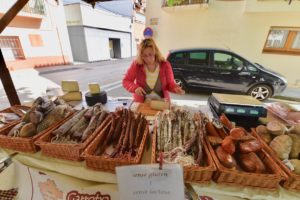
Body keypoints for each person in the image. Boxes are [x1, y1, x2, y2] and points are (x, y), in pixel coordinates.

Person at [122, 38, 185, 103]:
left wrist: (175, 88)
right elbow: (126, 81)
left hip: (161, 102)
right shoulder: (136, 64)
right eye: (144, 56)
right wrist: (135, 88)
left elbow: (170, 84)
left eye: (150, 54)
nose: (148, 59)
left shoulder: (165, 65)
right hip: (142, 103)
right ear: (141, 56)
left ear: (155, 52)